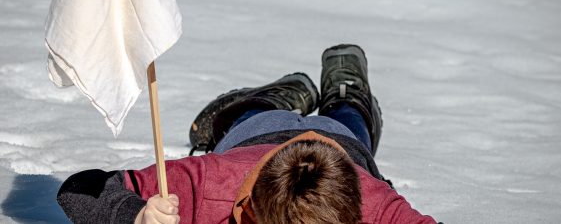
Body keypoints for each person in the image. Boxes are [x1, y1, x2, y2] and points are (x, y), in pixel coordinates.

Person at [57, 44, 439, 224]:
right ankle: (269, 100)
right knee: (252, 115)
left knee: (351, 117)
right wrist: (137, 216)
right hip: (256, 134)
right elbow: (79, 188)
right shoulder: (206, 184)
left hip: (341, 143)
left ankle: (346, 92)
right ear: (254, 212)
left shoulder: (372, 204)